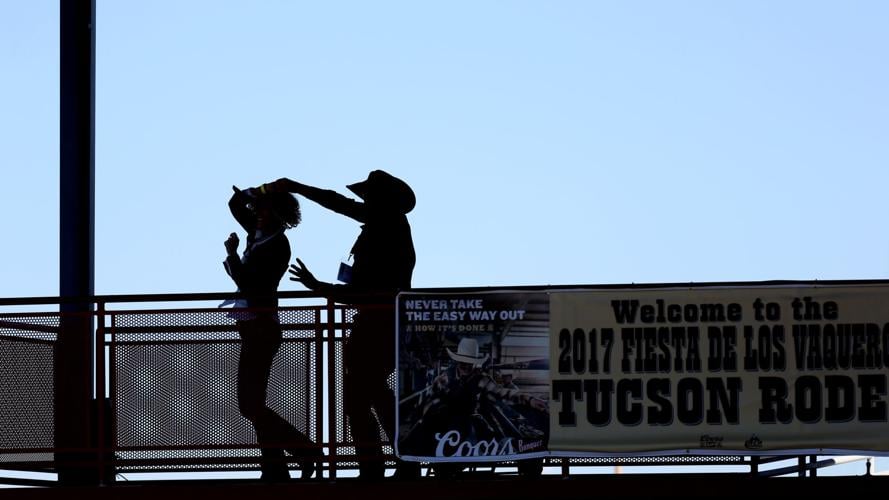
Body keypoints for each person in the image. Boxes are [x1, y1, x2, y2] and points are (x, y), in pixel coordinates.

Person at [258, 171, 417, 480]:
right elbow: (364, 289)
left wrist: (319, 288)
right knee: (363, 398)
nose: (361, 202)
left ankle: (396, 463)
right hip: (374, 323)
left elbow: (365, 290)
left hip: (378, 325)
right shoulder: (385, 226)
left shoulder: (388, 224)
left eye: (369, 197)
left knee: (370, 396)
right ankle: (381, 465)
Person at [222, 185, 320, 481]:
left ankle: (303, 451)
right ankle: (276, 467)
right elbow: (235, 203)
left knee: (249, 404)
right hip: (253, 325)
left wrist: (232, 255)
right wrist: (259, 192)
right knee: (254, 404)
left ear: (278, 215)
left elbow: (251, 284)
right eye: (259, 209)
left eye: (265, 209)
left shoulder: (277, 245)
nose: (257, 214)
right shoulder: (259, 233)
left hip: (262, 328)